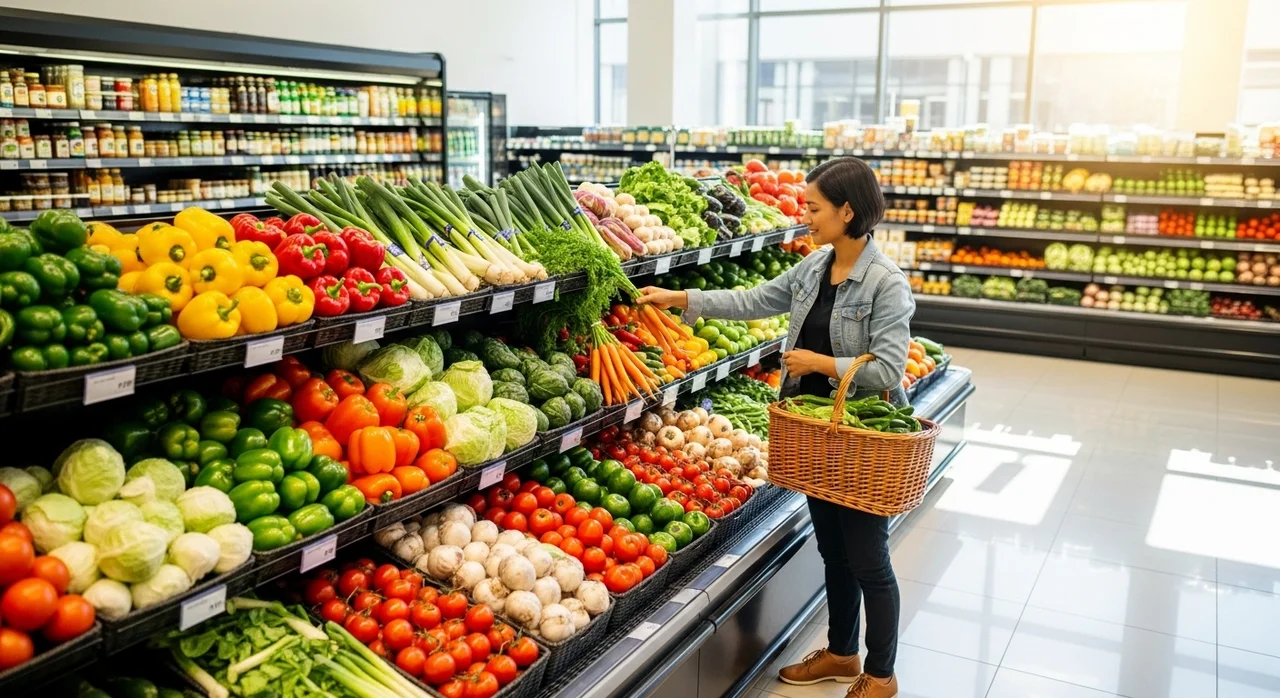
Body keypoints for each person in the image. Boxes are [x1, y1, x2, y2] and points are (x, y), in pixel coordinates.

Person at [636, 157, 912, 698]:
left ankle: (881, 675)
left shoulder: (885, 283)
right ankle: (841, 652)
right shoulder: (815, 267)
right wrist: (682, 299)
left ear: (847, 210)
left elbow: (889, 369)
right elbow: (754, 299)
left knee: (869, 559)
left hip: (859, 435)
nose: (804, 216)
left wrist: (818, 364)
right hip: (811, 428)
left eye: (814, 207)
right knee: (833, 550)